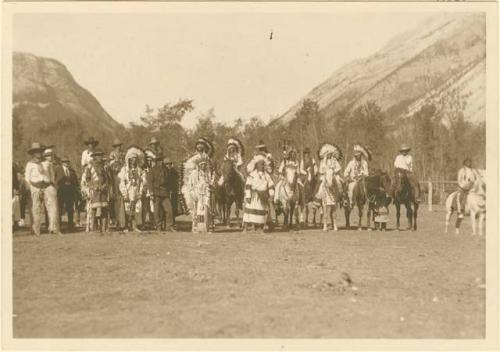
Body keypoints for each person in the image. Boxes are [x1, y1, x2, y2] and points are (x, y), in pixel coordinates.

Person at [24, 143, 54, 236]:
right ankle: (36, 230)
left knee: (52, 207)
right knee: (35, 209)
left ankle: (53, 228)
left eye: (40, 152)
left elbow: (51, 174)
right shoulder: (29, 164)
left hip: (46, 185)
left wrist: (52, 184)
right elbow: (27, 178)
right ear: (33, 153)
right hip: (35, 187)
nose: (39, 154)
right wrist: (28, 188)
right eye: (36, 152)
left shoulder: (46, 163)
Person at [81, 149, 112, 233]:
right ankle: (93, 227)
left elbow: (108, 179)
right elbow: (87, 179)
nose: (99, 157)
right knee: (94, 208)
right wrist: (93, 186)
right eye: (97, 155)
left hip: (103, 189)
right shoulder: (90, 166)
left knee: (104, 208)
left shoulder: (104, 166)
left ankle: (104, 227)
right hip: (94, 190)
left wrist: (104, 185)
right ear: (94, 157)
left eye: (101, 155)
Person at [242, 155, 275, 233]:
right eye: (260, 164)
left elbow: (271, 185)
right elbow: (248, 185)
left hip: (263, 197)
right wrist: (248, 196)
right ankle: (245, 228)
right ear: (256, 165)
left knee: (261, 212)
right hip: (253, 196)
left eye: (263, 164)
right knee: (249, 212)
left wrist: (271, 195)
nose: (262, 166)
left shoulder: (267, 176)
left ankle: (260, 228)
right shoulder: (252, 175)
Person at [118, 149, 146, 232]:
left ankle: (135, 226)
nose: (133, 161)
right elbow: (121, 182)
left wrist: (140, 192)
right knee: (127, 208)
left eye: (135, 159)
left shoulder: (139, 170)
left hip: (136, 191)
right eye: (131, 159)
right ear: (128, 160)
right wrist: (124, 193)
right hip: (128, 191)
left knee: (137, 208)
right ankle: (126, 226)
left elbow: (143, 182)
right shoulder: (124, 170)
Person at [186, 154, 215, 233]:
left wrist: (210, 185)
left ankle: (207, 227)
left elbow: (210, 183)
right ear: (199, 166)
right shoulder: (194, 173)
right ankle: (197, 227)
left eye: (205, 165)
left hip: (206, 194)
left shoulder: (208, 173)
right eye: (202, 165)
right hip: (197, 194)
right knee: (198, 210)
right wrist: (193, 193)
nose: (203, 166)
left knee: (207, 208)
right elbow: (190, 185)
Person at [150, 156, 176, 232]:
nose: (161, 162)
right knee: (157, 210)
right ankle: (158, 226)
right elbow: (150, 182)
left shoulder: (166, 170)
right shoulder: (152, 170)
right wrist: (151, 192)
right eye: (159, 161)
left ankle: (169, 226)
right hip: (156, 192)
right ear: (156, 162)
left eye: (161, 161)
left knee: (169, 209)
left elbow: (169, 181)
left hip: (165, 192)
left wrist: (169, 190)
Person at [41, 147, 62, 235]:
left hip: (49, 187)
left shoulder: (50, 165)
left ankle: (52, 227)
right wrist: (51, 183)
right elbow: (46, 177)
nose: (50, 157)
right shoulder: (45, 165)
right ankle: (53, 228)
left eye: (51, 155)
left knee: (51, 208)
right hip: (49, 187)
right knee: (52, 208)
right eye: (48, 155)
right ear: (45, 157)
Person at [108, 139, 126, 229]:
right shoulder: (112, 154)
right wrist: (117, 164)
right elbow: (111, 165)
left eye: (120, 146)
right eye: (117, 146)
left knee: (122, 196)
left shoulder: (123, 153)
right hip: (114, 176)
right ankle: (115, 219)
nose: (119, 147)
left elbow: (125, 163)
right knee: (115, 197)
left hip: (122, 174)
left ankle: (123, 219)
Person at [57, 157, 79, 230]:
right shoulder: (58, 170)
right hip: (60, 192)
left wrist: (73, 186)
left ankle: (70, 225)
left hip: (70, 193)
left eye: (67, 162)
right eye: (64, 162)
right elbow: (56, 181)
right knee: (59, 209)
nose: (66, 163)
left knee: (70, 209)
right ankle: (59, 225)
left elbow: (76, 182)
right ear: (62, 162)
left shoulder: (72, 171)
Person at [164, 157, 179, 224]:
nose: (168, 165)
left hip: (173, 191)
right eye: (166, 164)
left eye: (169, 164)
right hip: (165, 191)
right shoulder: (164, 172)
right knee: (167, 207)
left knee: (173, 207)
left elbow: (177, 179)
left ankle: (172, 221)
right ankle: (166, 222)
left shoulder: (173, 171)